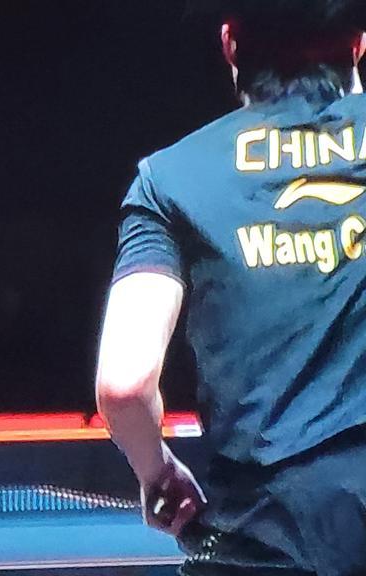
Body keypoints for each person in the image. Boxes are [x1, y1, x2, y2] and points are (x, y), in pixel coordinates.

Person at [95, 1, 365, 574]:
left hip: (263, 538)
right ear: (358, 45)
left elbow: (124, 384)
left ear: (230, 44)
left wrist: (156, 471)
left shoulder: (169, 178)